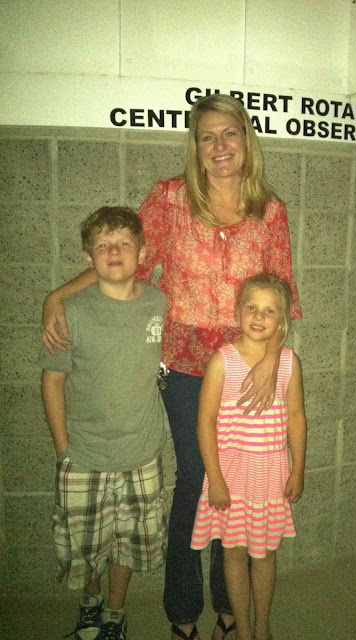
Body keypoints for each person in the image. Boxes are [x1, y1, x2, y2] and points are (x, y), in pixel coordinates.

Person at [41, 94, 301, 640]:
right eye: (207, 136)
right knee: (199, 480)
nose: (219, 146)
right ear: (195, 145)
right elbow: (126, 263)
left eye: (229, 133)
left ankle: (230, 607)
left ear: (246, 138)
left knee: (236, 482)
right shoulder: (170, 198)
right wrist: (59, 295)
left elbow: (283, 293)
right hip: (185, 368)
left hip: (248, 370)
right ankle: (183, 609)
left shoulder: (269, 209)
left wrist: (273, 357)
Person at [39, 207, 168, 640]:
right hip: (85, 454)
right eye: (103, 245)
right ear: (87, 257)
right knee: (86, 544)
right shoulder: (69, 312)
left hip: (141, 453)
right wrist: (64, 450)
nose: (114, 252)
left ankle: (115, 612)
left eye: (124, 243)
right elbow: (53, 381)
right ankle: (90, 604)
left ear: (142, 253)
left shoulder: (158, 303)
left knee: (127, 542)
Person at [191, 274, 307, 640]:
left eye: (270, 311)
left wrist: (298, 470)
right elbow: (205, 423)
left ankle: (261, 626)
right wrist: (216, 479)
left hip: (270, 476)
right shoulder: (222, 361)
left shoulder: (288, 362)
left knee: (266, 555)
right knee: (233, 555)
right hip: (232, 478)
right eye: (252, 307)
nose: (259, 316)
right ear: (238, 311)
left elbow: (296, 417)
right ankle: (241, 627)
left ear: (282, 319)